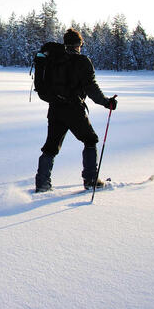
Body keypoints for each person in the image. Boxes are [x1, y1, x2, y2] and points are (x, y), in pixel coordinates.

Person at [35, 28, 117, 192]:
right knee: (90, 140)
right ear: (79, 44)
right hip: (74, 109)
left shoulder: (53, 61)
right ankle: (91, 180)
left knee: (51, 146)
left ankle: (42, 184)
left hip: (55, 109)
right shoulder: (82, 62)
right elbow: (91, 88)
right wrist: (106, 102)